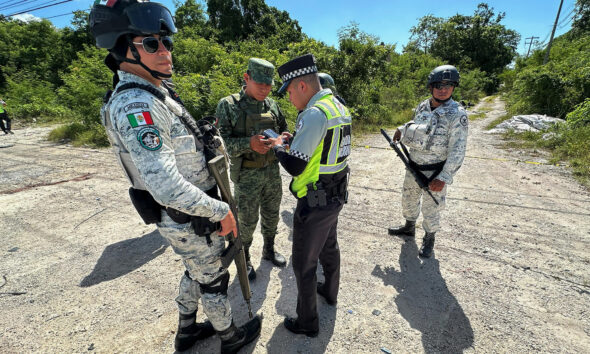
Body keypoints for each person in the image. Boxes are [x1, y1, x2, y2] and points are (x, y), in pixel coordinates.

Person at [89, 1, 260, 353]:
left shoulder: (153, 93)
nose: (165, 51)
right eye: (151, 44)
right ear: (123, 48)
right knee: (213, 278)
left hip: (187, 215)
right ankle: (230, 338)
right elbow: (165, 185)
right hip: (189, 215)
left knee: (196, 270)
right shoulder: (138, 104)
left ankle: (186, 331)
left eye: (166, 43)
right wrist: (220, 211)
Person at [269, 54, 351, 337]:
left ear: (302, 86)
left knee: (304, 263)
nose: (289, 98)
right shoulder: (337, 106)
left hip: (315, 201)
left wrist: (279, 146)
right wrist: (295, 140)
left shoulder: (315, 113)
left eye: (289, 91)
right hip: (336, 195)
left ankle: (307, 323)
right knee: (330, 246)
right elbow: (323, 148)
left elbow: (295, 165)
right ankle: (330, 291)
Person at [215, 58, 290, 281]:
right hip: (246, 176)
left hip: (271, 173)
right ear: (247, 78)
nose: (265, 89)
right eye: (260, 84)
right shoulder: (228, 105)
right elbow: (220, 144)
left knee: (272, 214)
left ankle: (269, 249)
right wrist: (249, 144)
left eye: (269, 85)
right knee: (246, 221)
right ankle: (244, 257)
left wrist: (285, 138)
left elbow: (284, 130)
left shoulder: (272, 105)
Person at [388, 64, 468, 258]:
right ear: (431, 86)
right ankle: (409, 227)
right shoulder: (423, 105)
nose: (443, 89)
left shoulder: (457, 114)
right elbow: (417, 125)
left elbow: (458, 149)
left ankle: (429, 238)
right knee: (408, 199)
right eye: (439, 85)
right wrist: (402, 129)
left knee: (431, 208)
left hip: (436, 170)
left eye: (448, 85)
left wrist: (445, 177)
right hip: (414, 164)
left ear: (454, 87)